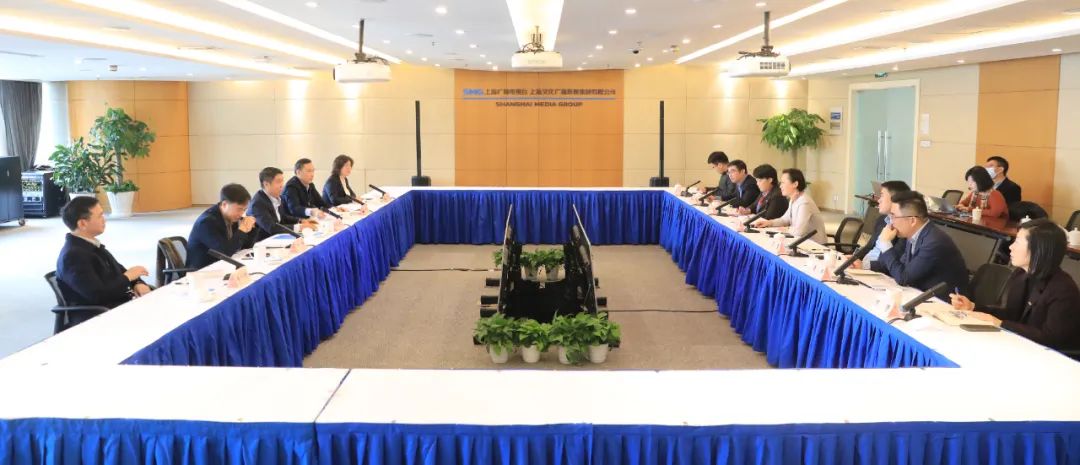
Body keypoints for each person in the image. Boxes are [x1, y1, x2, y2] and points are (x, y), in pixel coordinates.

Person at [951, 219, 1080, 350]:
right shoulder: (1020, 274)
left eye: (1017, 242)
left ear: (1039, 249)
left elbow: (1051, 339)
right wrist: (973, 307)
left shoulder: (1063, 290)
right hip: (1018, 345)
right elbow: (1010, 315)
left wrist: (1000, 324)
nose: (1010, 247)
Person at [55, 196, 151, 309]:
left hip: (118, 304)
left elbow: (120, 271)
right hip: (99, 313)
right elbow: (98, 295)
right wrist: (128, 277)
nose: (104, 220)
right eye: (100, 216)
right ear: (82, 224)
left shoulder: (91, 245)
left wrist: (137, 283)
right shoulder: (73, 256)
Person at [871, 191, 970, 299]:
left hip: (946, 302)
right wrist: (866, 266)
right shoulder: (915, 233)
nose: (891, 222)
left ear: (912, 220)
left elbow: (903, 278)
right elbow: (898, 266)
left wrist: (885, 243)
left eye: (894, 216)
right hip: (920, 293)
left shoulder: (934, 242)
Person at [186, 184, 258, 270]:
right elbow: (225, 253)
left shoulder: (231, 216)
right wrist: (242, 230)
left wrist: (251, 229)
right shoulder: (206, 222)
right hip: (201, 270)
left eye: (244, 210)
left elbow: (244, 247)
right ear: (224, 204)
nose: (242, 213)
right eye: (239, 209)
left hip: (221, 266)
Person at [751, 168, 826, 243]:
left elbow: (799, 231)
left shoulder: (804, 202)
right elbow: (785, 219)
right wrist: (769, 223)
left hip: (814, 245)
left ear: (795, 184)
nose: (780, 186)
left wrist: (785, 229)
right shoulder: (793, 199)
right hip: (799, 241)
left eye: (783, 183)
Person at [249, 167, 317, 242]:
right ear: (266, 184)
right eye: (278, 182)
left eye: (282, 181)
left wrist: (301, 221)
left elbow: (283, 217)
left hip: (277, 239)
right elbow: (272, 228)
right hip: (263, 243)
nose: (282, 185)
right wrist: (299, 227)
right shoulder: (257, 204)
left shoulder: (277, 197)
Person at [860, 180, 911, 269]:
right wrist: (852, 260)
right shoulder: (882, 220)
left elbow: (892, 264)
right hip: (864, 266)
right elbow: (868, 247)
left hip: (876, 271)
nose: (879, 200)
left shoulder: (905, 229)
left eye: (882, 196)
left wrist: (864, 266)